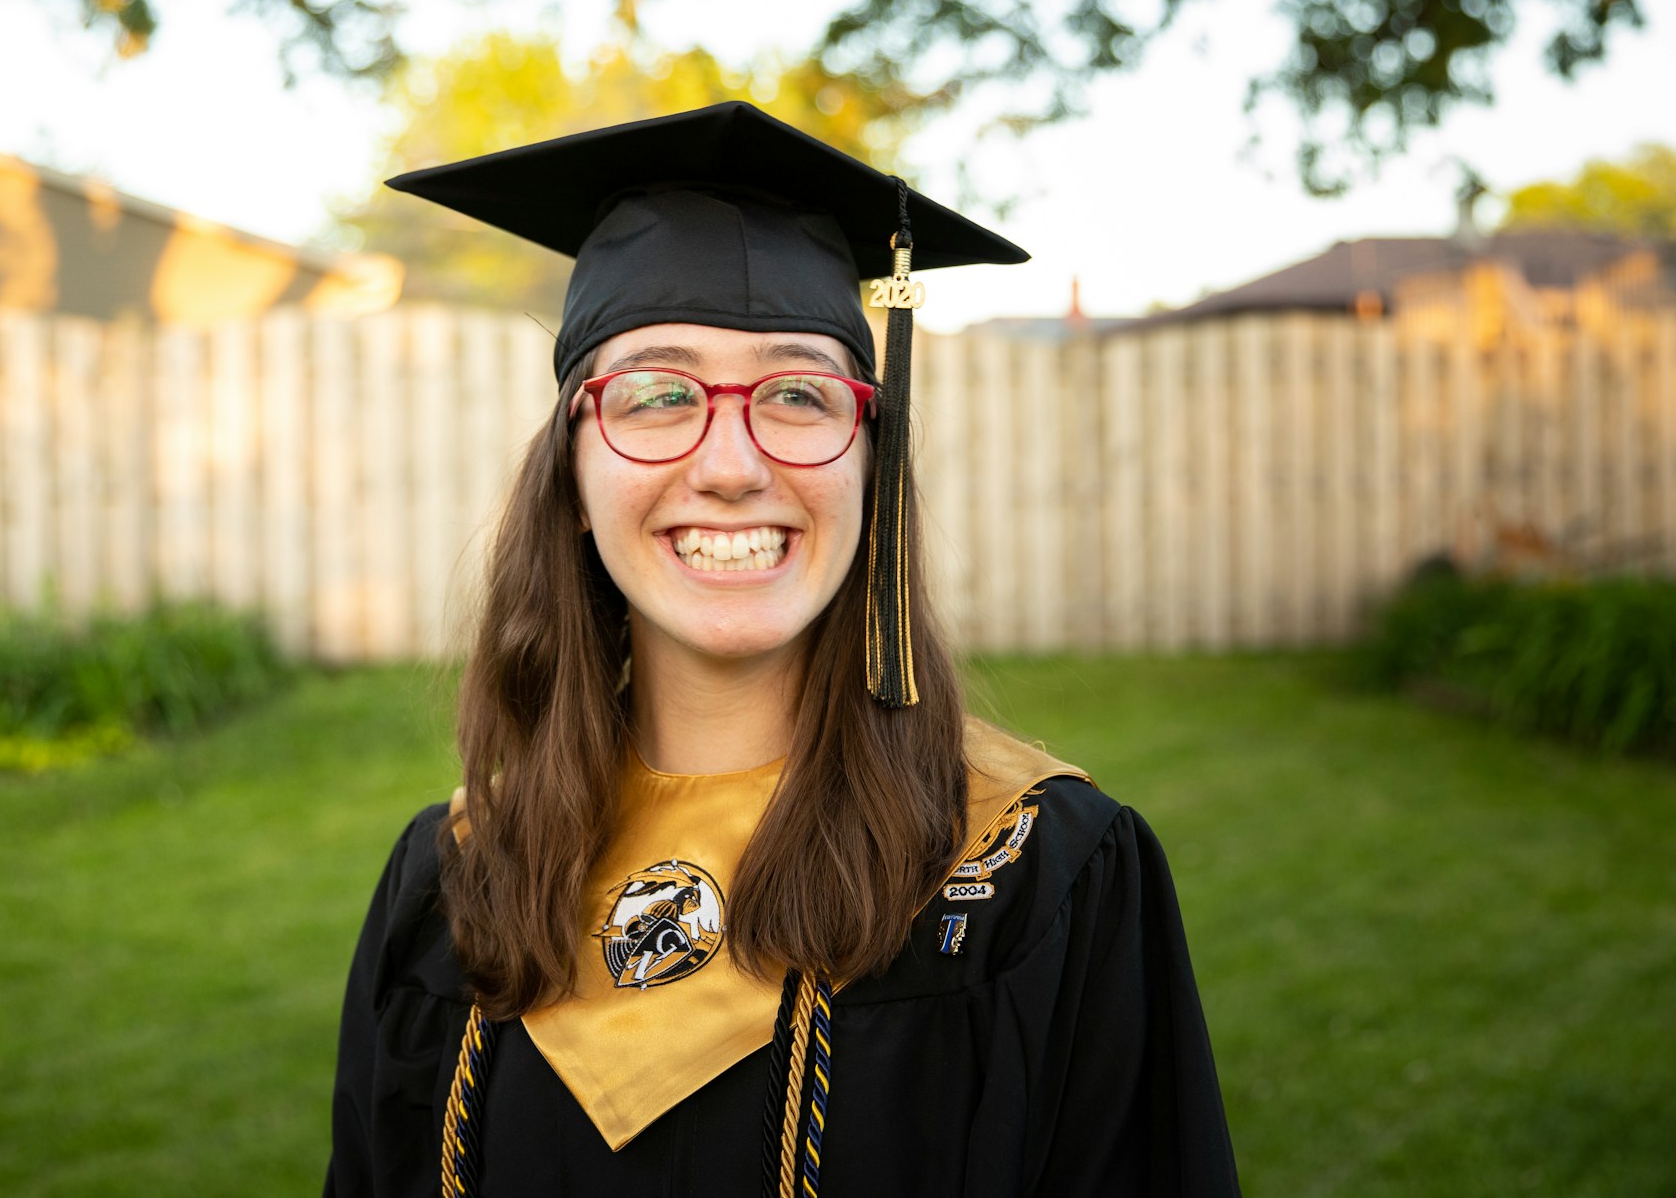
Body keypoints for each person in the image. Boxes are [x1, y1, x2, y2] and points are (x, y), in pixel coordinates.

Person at [323, 103, 1240, 1198]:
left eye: (798, 393)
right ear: (571, 472)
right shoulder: (454, 880)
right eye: (657, 395)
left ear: (868, 458)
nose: (730, 463)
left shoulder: (1034, 878)